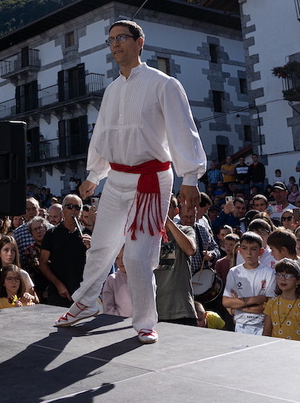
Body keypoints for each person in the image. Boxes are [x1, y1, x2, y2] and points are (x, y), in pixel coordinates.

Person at [52, 21, 206, 344]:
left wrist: (189, 176)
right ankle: (83, 303)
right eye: (110, 40)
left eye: (121, 37)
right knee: (101, 246)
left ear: (140, 42)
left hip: (152, 180)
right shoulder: (111, 90)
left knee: (137, 257)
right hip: (117, 178)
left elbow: (183, 131)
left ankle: (146, 321)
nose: (115, 44)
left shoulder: (164, 84)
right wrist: (95, 174)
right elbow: (103, 133)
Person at [40, 194, 91, 307]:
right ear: (63, 210)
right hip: (59, 294)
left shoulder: (88, 234)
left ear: (81, 211)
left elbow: (98, 263)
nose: (73, 210)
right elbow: (43, 263)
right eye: (69, 206)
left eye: (77, 207)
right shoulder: (51, 234)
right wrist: (58, 284)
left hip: (83, 293)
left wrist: (92, 249)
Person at [222, 232, 275, 335]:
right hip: (240, 325)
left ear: (261, 251)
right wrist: (253, 300)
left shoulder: (269, 273)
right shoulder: (234, 272)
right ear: (240, 250)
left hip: (261, 324)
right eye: (245, 248)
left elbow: (268, 306)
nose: (249, 253)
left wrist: (238, 306)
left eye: (253, 249)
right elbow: (226, 302)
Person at [262, 258, 300, 342]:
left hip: (298, 351)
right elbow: (266, 331)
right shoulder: (271, 303)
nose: (283, 279)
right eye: (279, 275)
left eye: (288, 276)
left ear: (298, 280)